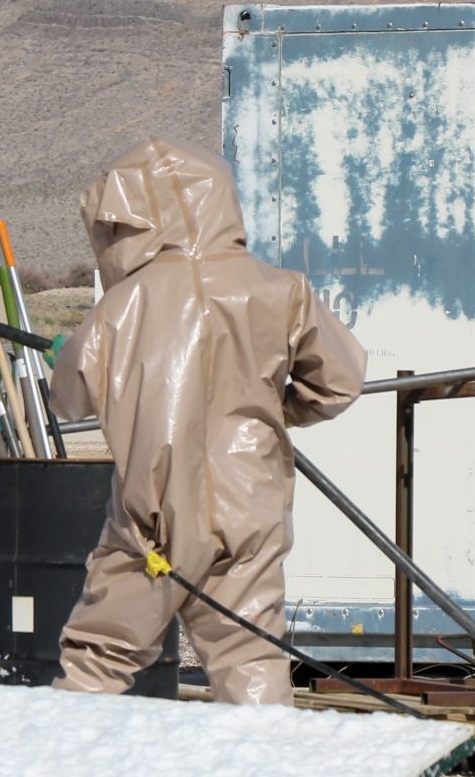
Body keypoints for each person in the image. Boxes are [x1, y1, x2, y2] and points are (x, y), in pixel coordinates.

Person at [49, 137, 366, 704]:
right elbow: (339, 383)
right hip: (251, 507)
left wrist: (74, 357)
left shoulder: (121, 309)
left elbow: (68, 400)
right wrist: (274, 412)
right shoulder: (281, 290)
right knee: (249, 653)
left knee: (101, 657)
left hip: (156, 520)